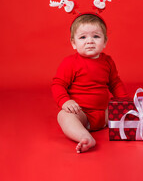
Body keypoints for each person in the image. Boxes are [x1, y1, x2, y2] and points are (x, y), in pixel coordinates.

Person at [51, 13, 128, 153]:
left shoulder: (108, 61)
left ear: (105, 41)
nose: (90, 41)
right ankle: (84, 136)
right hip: (82, 114)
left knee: (123, 111)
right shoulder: (70, 63)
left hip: (104, 114)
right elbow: (58, 85)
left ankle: (125, 124)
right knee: (63, 116)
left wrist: (124, 103)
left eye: (96, 36)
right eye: (83, 37)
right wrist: (65, 101)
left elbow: (115, 83)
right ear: (73, 43)